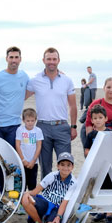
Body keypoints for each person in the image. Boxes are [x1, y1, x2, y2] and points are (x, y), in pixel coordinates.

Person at [26, 47, 77, 179]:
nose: (51, 62)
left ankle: (65, 195)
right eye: (49, 59)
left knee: (65, 164)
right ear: (43, 60)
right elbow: (20, 97)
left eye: (54, 59)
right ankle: (47, 195)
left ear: (58, 60)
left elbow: (72, 105)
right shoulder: (35, 80)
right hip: (43, 127)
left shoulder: (67, 80)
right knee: (45, 166)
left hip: (62, 127)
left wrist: (73, 126)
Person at [0, 46, 29, 192]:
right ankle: (2, 194)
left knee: (14, 162)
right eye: (11, 57)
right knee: (0, 162)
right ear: (6, 59)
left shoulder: (24, 76)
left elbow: (29, 90)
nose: (14, 60)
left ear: (20, 59)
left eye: (16, 57)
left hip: (15, 126)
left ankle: (14, 195)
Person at [21, 152, 78, 223]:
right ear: (58, 166)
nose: (65, 168)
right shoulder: (52, 175)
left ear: (72, 167)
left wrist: (58, 217)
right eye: (62, 164)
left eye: (68, 165)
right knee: (25, 199)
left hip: (57, 208)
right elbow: (35, 191)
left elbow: (64, 203)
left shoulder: (73, 183)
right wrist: (26, 194)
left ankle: (46, 221)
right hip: (45, 202)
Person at [83, 104, 112, 223]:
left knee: (110, 189)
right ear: (91, 120)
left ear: (106, 118)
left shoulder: (111, 133)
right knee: (98, 190)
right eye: (95, 118)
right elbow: (86, 150)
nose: (98, 120)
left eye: (100, 117)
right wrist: (93, 154)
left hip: (108, 168)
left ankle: (109, 214)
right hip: (97, 167)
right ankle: (101, 211)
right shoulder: (91, 135)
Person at [15, 108, 43, 191]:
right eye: (28, 121)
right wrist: (23, 160)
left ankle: (30, 201)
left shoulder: (38, 131)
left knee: (32, 184)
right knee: (22, 184)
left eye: (32, 120)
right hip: (22, 161)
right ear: (23, 120)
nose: (30, 123)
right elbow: (18, 144)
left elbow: (39, 146)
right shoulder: (20, 130)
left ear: (35, 120)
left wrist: (33, 160)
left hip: (33, 162)